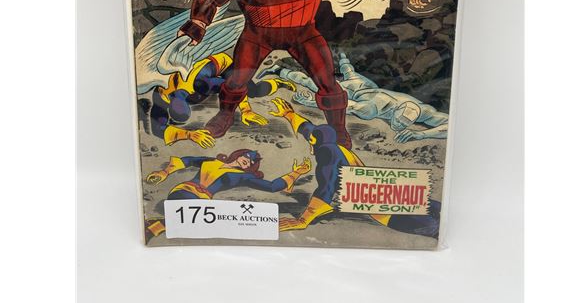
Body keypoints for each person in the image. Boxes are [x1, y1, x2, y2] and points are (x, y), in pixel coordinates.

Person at [177, 0, 352, 148]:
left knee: (327, 81)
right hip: (257, 36)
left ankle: (338, 129)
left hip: (304, 34)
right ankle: (225, 115)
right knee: (236, 80)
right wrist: (198, 23)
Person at [268, 98, 441, 238]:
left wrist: (303, 220)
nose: (309, 143)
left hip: (390, 212)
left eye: (311, 141)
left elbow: (326, 188)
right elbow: (309, 130)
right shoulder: (330, 144)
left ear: (317, 142)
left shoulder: (326, 153)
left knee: (436, 230)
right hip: (397, 195)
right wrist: (289, 114)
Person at [260, 52, 448, 142]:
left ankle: (341, 57)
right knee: (312, 82)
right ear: (396, 111)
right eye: (399, 121)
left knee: (348, 70)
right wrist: (312, 102)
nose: (398, 126)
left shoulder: (423, 110)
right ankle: (277, 69)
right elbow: (344, 104)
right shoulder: (371, 109)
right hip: (354, 90)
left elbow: (449, 125)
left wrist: (421, 134)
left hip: (367, 87)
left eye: (403, 123)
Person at [145, 148, 311, 238]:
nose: (249, 161)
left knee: (191, 223)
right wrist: (164, 172)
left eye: (252, 163)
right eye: (248, 157)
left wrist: (296, 173)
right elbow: (186, 161)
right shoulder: (212, 161)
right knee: (188, 221)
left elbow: (272, 186)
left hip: (201, 201)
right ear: (239, 154)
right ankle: (157, 226)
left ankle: (156, 226)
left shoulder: (243, 176)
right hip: (182, 191)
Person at [149, 52, 297, 148]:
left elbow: (234, 88)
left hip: (221, 64)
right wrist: (189, 134)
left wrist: (246, 110)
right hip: (194, 71)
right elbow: (157, 129)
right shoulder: (161, 94)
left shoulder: (200, 85)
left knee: (253, 91)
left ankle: (277, 82)